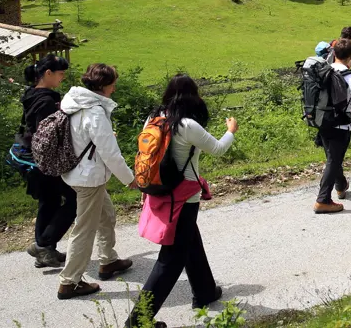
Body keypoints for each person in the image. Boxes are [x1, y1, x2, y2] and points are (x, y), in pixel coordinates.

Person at [127, 75, 236, 327]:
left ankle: (205, 292)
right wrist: (231, 131)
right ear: (192, 96)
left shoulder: (153, 119)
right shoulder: (186, 125)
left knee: (190, 242)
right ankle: (138, 320)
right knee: (171, 259)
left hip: (158, 189)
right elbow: (218, 148)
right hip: (184, 196)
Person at [57, 64, 136, 300]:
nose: (114, 87)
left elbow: (82, 137)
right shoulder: (94, 111)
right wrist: (130, 179)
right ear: (103, 85)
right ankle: (69, 282)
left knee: (106, 215)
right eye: (113, 83)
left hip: (78, 172)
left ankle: (108, 261)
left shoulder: (74, 102)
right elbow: (110, 153)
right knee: (84, 229)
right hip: (88, 177)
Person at [19, 54, 74, 269]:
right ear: (48, 73)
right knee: (75, 199)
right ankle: (43, 244)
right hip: (44, 161)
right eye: (60, 74)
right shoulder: (46, 102)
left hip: (32, 159)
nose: (62, 78)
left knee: (48, 201)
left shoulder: (31, 95)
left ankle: (46, 252)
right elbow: (50, 135)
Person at [314, 38, 351, 214]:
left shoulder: (322, 72)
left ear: (333, 54)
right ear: (350, 56)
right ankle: (323, 200)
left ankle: (341, 186)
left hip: (322, 121)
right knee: (334, 160)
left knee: (333, 157)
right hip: (341, 126)